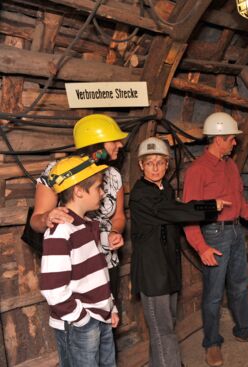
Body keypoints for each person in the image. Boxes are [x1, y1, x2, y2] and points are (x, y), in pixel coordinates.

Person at [129, 137, 230, 367]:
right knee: (163, 330)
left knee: (163, 327)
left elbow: (176, 209)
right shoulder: (141, 194)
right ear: (140, 166)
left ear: (167, 165)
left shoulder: (165, 189)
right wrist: (208, 206)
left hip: (168, 269)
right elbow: (176, 211)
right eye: (149, 162)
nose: (155, 167)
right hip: (153, 273)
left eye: (160, 162)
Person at [183, 112, 248, 367]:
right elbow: (189, 214)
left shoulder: (230, 165)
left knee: (240, 286)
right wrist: (201, 247)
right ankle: (212, 343)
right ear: (219, 139)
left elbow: (239, 199)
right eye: (232, 139)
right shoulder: (197, 171)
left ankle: (245, 330)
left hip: (234, 232)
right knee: (212, 294)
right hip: (213, 234)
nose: (235, 143)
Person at [31, 114, 127, 302]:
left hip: (106, 262)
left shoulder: (113, 175)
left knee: (108, 322)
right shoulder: (58, 172)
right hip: (76, 267)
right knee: (83, 327)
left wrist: (115, 232)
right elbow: (36, 220)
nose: (121, 144)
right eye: (114, 140)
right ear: (97, 145)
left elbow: (119, 216)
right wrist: (47, 218)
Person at [39, 156, 119, 367]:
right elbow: (53, 290)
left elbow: (98, 274)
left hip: (101, 317)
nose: (102, 193)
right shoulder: (60, 232)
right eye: (98, 187)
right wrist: (82, 319)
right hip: (81, 323)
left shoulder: (88, 225)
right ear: (79, 191)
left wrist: (110, 307)